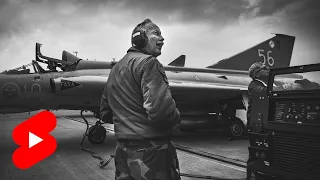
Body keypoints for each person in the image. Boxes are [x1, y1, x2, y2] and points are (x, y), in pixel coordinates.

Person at [100, 18, 181, 180]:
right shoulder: (149, 63)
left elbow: (105, 113)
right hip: (151, 153)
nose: (162, 39)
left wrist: (127, 122)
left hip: (122, 152)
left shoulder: (115, 69)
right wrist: (177, 119)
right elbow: (161, 112)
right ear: (141, 38)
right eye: (156, 34)